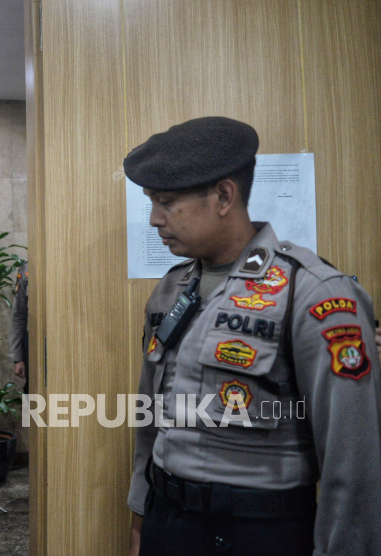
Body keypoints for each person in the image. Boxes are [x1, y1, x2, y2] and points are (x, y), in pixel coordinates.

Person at [123, 117, 381, 556]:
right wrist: (141, 522)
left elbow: (352, 459)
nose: (154, 220)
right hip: (169, 523)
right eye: (151, 202)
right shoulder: (170, 288)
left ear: (224, 196)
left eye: (166, 202)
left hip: (257, 532)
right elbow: (151, 417)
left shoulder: (313, 292)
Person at [9, 260, 29, 392]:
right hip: (36, 343)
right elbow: (19, 316)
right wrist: (17, 357)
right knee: (33, 393)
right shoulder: (27, 267)